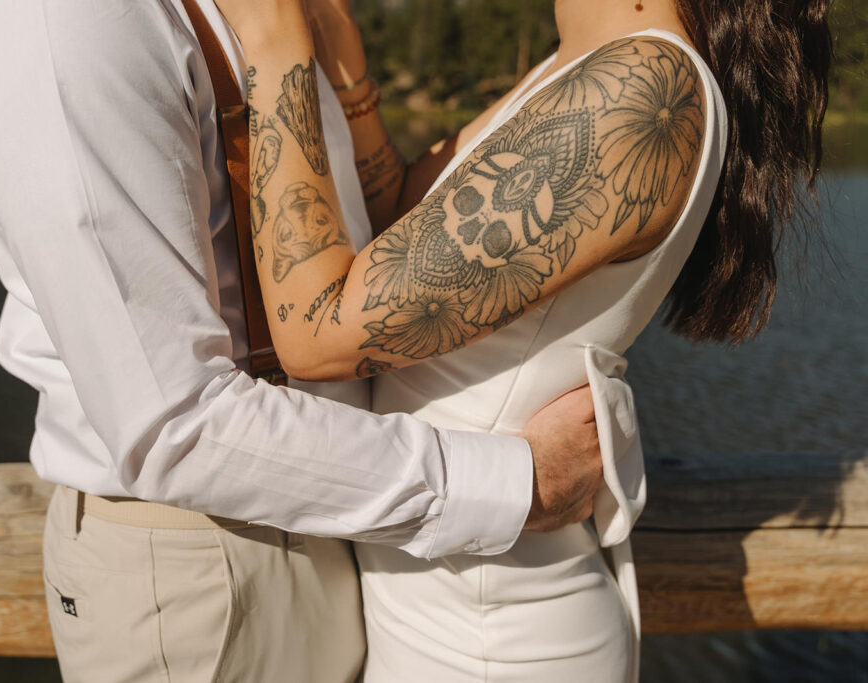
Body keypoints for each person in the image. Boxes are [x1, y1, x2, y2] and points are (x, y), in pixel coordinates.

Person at [0, 0, 613, 681]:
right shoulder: (65, 19)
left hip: (328, 512)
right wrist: (517, 483)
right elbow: (174, 425)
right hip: (201, 562)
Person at [212, 0, 831, 680]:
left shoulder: (646, 83)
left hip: (493, 637)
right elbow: (396, 230)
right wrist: (351, 75)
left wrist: (276, 39)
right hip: (452, 602)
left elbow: (314, 328)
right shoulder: (589, 59)